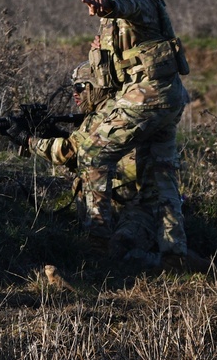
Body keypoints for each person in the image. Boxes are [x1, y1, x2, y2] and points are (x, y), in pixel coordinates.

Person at [78, 0, 205, 272]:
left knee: (92, 152)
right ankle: (175, 253)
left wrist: (109, 6)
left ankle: (97, 240)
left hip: (146, 99)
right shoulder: (110, 20)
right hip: (165, 102)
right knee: (160, 177)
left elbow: (128, 7)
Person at [26, 62, 159, 269]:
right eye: (74, 88)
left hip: (139, 207)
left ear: (98, 87)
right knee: (103, 252)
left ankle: (183, 264)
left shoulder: (110, 114)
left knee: (119, 253)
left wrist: (29, 142)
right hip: (119, 207)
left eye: (80, 87)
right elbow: (81, 153)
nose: (75, 94)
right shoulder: (103, 111)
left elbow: (67, 152)